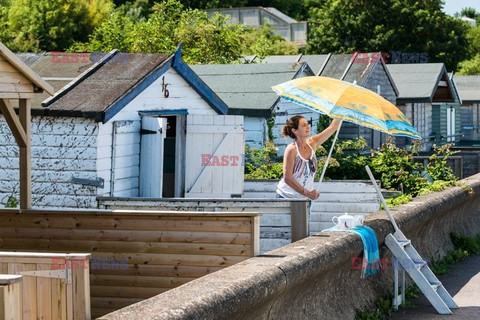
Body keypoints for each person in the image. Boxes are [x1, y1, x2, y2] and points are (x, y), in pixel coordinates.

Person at [276, 115, 341, 200]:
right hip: (286, 197)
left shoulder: (312, 143)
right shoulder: (292, 149)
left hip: (304, 198)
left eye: (307, 124)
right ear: (294, 130)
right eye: (304, 125)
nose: (308, 127)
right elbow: (287, 178)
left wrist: (342, 109)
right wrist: (308, 193)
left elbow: (333, 127)